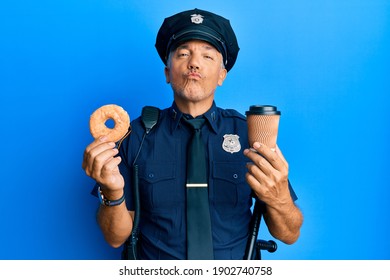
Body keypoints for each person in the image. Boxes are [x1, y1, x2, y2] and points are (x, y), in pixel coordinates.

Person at [82, 8, 303, 260]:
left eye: (207, 56)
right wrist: (111, 193)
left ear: (222, 75)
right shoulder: (137, 136)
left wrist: (279, 195)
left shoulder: (249, 133)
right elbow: (115, 237)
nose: (194, 62)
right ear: (167, 73)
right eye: (183, 53)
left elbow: (288, 234)